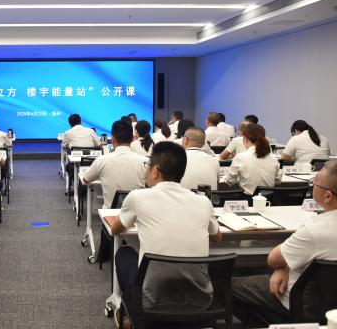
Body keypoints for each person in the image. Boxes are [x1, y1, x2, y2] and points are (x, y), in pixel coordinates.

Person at [110, 142, 222, 321]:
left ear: (155, 171)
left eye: (147, 166)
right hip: (200, 302)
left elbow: (115, 229)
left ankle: (130, 314)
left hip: (150, 303)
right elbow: (216, 238)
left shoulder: (138, 197)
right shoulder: (203, 202)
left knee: (124, 254)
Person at [232, 160, 337, 326]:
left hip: (301, 303)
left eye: (315, 181)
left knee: (226, 286)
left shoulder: (316, 230)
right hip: (329, 310)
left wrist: (281, 267)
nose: (312, 184)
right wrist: (284, 268)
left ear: (328, 196)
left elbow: (273, 259)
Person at [83, 120, 147, 208]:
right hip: (137, 214)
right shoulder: (145, 162)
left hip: (111, 214)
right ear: (132, 138)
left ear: (112, 139)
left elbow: (86, 179)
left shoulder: (102, 160)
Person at [220, 123, 281, 195]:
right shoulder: (273, 158)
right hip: (270, 199)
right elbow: (278, 181)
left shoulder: (240, 157)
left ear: (245, 138)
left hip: (247, 199)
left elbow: (229, 181)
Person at [180, 127, 220, 191]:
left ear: (186, 140)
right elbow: (217, 183)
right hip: (209, 197)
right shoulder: (215, 160)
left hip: (184, 196)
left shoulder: (178, 159)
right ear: (204, 143)